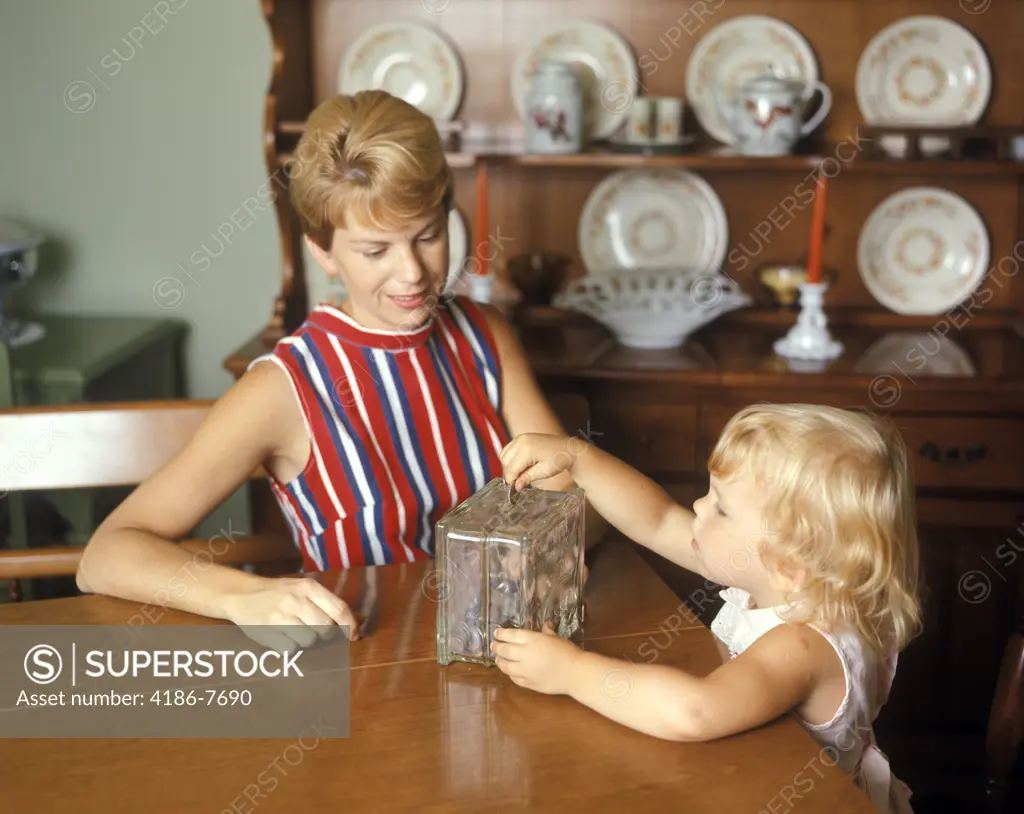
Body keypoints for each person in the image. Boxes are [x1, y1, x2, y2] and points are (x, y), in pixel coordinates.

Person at [76, 90, 603, 647]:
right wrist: (243, 596)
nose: (412, 273)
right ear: (322, 251)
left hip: (507, 656)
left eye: (427, 235)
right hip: (365, 675)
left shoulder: (486, 332)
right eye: (375, 251)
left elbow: (576, 502)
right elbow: (106, 555)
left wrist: (550, 551)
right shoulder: (282, 389)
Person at [494, 403, 921, 814]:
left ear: (789, 565)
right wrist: (579, 458)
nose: (698, 507)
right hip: (752, 774)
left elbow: (694, 711)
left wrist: (570, 671)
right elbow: (657, 519)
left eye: (722, 509)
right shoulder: (778, 581)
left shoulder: (805, 643)